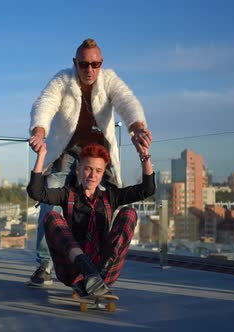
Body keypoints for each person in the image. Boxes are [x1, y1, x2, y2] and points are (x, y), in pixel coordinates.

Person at [27, 38, 151, 287]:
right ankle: (45, 264)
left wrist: (137, 127)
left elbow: (127, 102)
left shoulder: (109, 79)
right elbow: (45, 104)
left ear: (101, 63)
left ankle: (99, 262)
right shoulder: (63, 80)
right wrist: (39, 131)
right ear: (75, 63)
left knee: (106, 204)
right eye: (84, 64)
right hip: (68, 152)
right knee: (48, 203)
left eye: (95, 64)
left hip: (98, 156)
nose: (90, 70)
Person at [27, 137, 154, 296]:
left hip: (105, 272)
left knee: (129, 213)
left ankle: (97, 276)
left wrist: (144, 157)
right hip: (72, 271)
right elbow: (36, 192)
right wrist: (41, 156)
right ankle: (87, 270)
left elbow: (147, 190)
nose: (92, 175)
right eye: (88, 169)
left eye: (98, 171)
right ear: (78, 168)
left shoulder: (110, 196)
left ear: (103, 173)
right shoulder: (68, 195)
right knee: (51, 217)